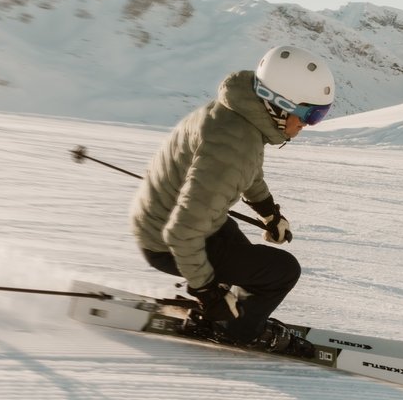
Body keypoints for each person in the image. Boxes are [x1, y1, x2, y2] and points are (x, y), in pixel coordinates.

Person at [129, 45, 334, 355]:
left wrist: (269, 212)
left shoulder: (236, 117)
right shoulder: (234, 147)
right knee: (282, 271)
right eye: (311, 114)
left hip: (168, 219)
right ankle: (237, 330)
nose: (309, 124)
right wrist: (208, 294)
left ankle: (233, 307)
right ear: (280, 104)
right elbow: (182, 235)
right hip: (166, 240)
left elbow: (248, 170)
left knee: (246, 261)